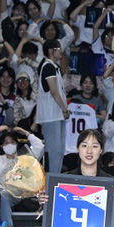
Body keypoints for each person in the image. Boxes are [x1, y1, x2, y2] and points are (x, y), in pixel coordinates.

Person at [36, 40, 69, 174]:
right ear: (51, 51)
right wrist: (65, 109)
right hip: (51, 116)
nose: (61, 51)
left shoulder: (54, 67)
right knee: (54, 151)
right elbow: (54, 92)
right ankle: (51, 182)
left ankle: (56, 178)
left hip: (57, 115)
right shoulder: (48, 67)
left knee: (60, 150)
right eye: (58, 48)